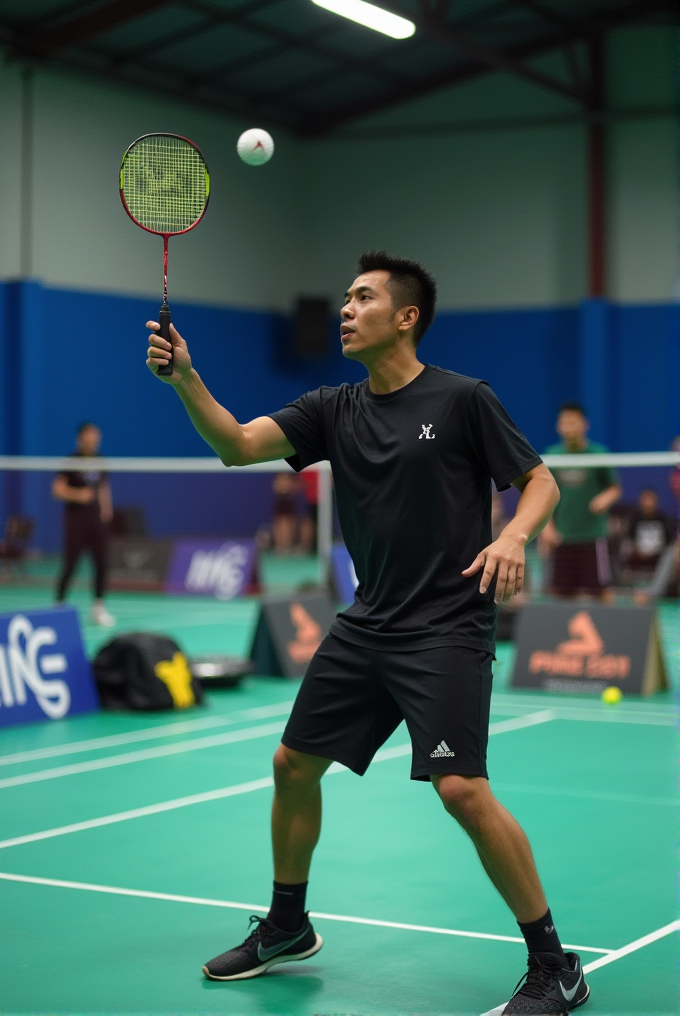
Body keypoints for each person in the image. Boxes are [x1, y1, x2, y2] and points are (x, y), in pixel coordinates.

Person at [146, 251, 589, 1014]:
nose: (346, 310)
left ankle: (556, 964)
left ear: (406, 317)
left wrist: (515, 535)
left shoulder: (461, 400)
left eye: (362, 298)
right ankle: (288, 924)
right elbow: (237, 445)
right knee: (292, 764)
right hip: (367, 622)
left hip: (445, 626)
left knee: (461, 790)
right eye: (346, 299)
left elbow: (539, 480)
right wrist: (186, 376)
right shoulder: (332, 408)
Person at [540, 403, 621, 602]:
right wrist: (547, 528)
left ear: (584, 425)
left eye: (573, 422)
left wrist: (605, 497)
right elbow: (543, 496)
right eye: (565, 423)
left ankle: (609, 631)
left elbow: (615, 488)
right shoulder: (552, 456)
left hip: (593, 535)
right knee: (561, 592)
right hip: (563, 536)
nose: (569, 427)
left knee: (602, 591)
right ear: (558, 426)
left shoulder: (598, 454)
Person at [52, 422, 116, 627]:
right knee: (71, 563)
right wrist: (78, 495)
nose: (94, 439)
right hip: (75, 520)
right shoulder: (71, 461)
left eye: (96, 436)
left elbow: (103, 487)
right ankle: (59, 605)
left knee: (101, 563)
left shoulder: (100, 460)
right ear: (80, 438)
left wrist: (106, 510)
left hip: (95, 519)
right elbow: (57, 490)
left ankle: (98, 607)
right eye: (89, 436)